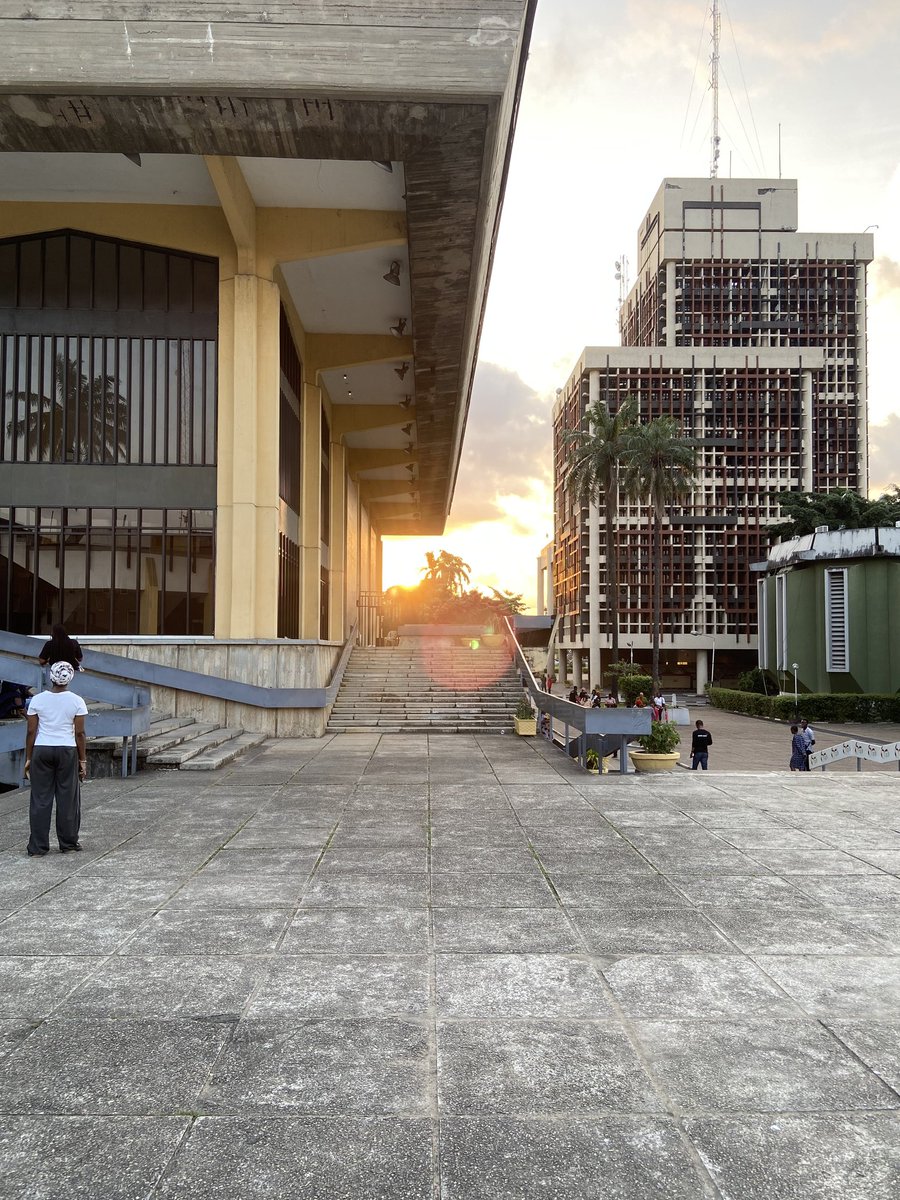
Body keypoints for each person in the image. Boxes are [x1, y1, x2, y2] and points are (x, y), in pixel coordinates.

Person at [24, 661, 88, 856]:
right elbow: (80, 734)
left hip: (42, 749)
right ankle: (68, 843)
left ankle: (38, 847)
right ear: (70, 677)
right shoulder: (77, 701)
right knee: (67, 798)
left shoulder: (37, 700)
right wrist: (82, 760)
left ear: (50, 676)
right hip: (67, 750)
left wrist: (29, 757)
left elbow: (31, 730)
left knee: (40, 799)